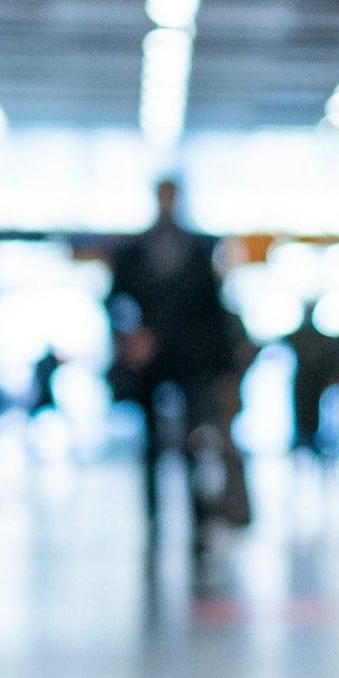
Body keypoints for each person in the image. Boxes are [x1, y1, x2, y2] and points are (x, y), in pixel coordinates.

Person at [108, 177, 233, 555]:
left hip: (189, 360)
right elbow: (116, 303)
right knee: (151, 445)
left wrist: (223, 365)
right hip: (151, 363)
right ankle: (153, 519)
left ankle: (199, 520)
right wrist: (131, 338)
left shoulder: (196, 251)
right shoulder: (136, 251)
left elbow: (213, 313)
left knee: (196, 441)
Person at [286, 304, 339, 466]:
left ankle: (310, 445)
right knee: (303, 423)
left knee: (310, 422)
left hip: (312, 389)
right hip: (303, 389)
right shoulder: (302, 336)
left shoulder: (315, 338)